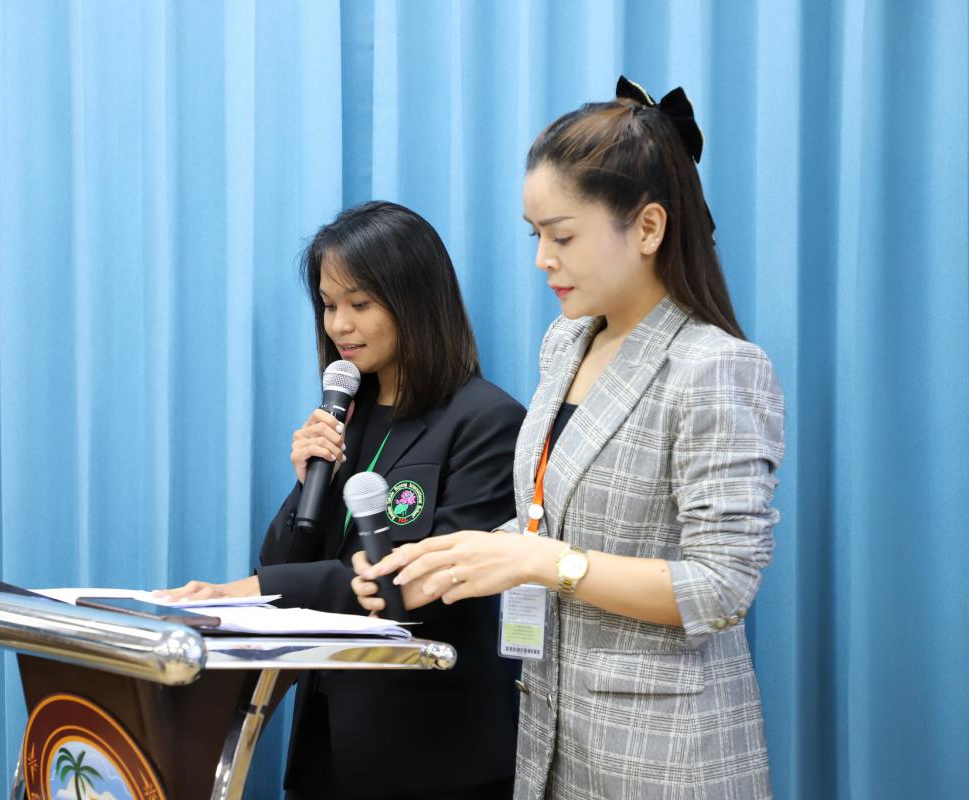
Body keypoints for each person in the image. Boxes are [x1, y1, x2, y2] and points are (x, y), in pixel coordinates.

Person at [355, 78, 785, 799]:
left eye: (562, 236)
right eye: (536, 237)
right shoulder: (566, 343)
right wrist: (445, 561)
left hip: (666, 759)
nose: (542, 260)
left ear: (647, 228)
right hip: (552, 741)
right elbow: (549, 520)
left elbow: (720, 587)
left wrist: (543, 561)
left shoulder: (716, 367)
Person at [162, 201, 525, 799]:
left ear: (415, 301)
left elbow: (417, 581)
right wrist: (308, 480)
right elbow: (284, 561)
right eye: (329, 306)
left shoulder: (488, 421)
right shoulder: (347, 417)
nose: (339, 326)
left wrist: (245, 590)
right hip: (327, 742)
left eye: (360, 304)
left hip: (434, 755)